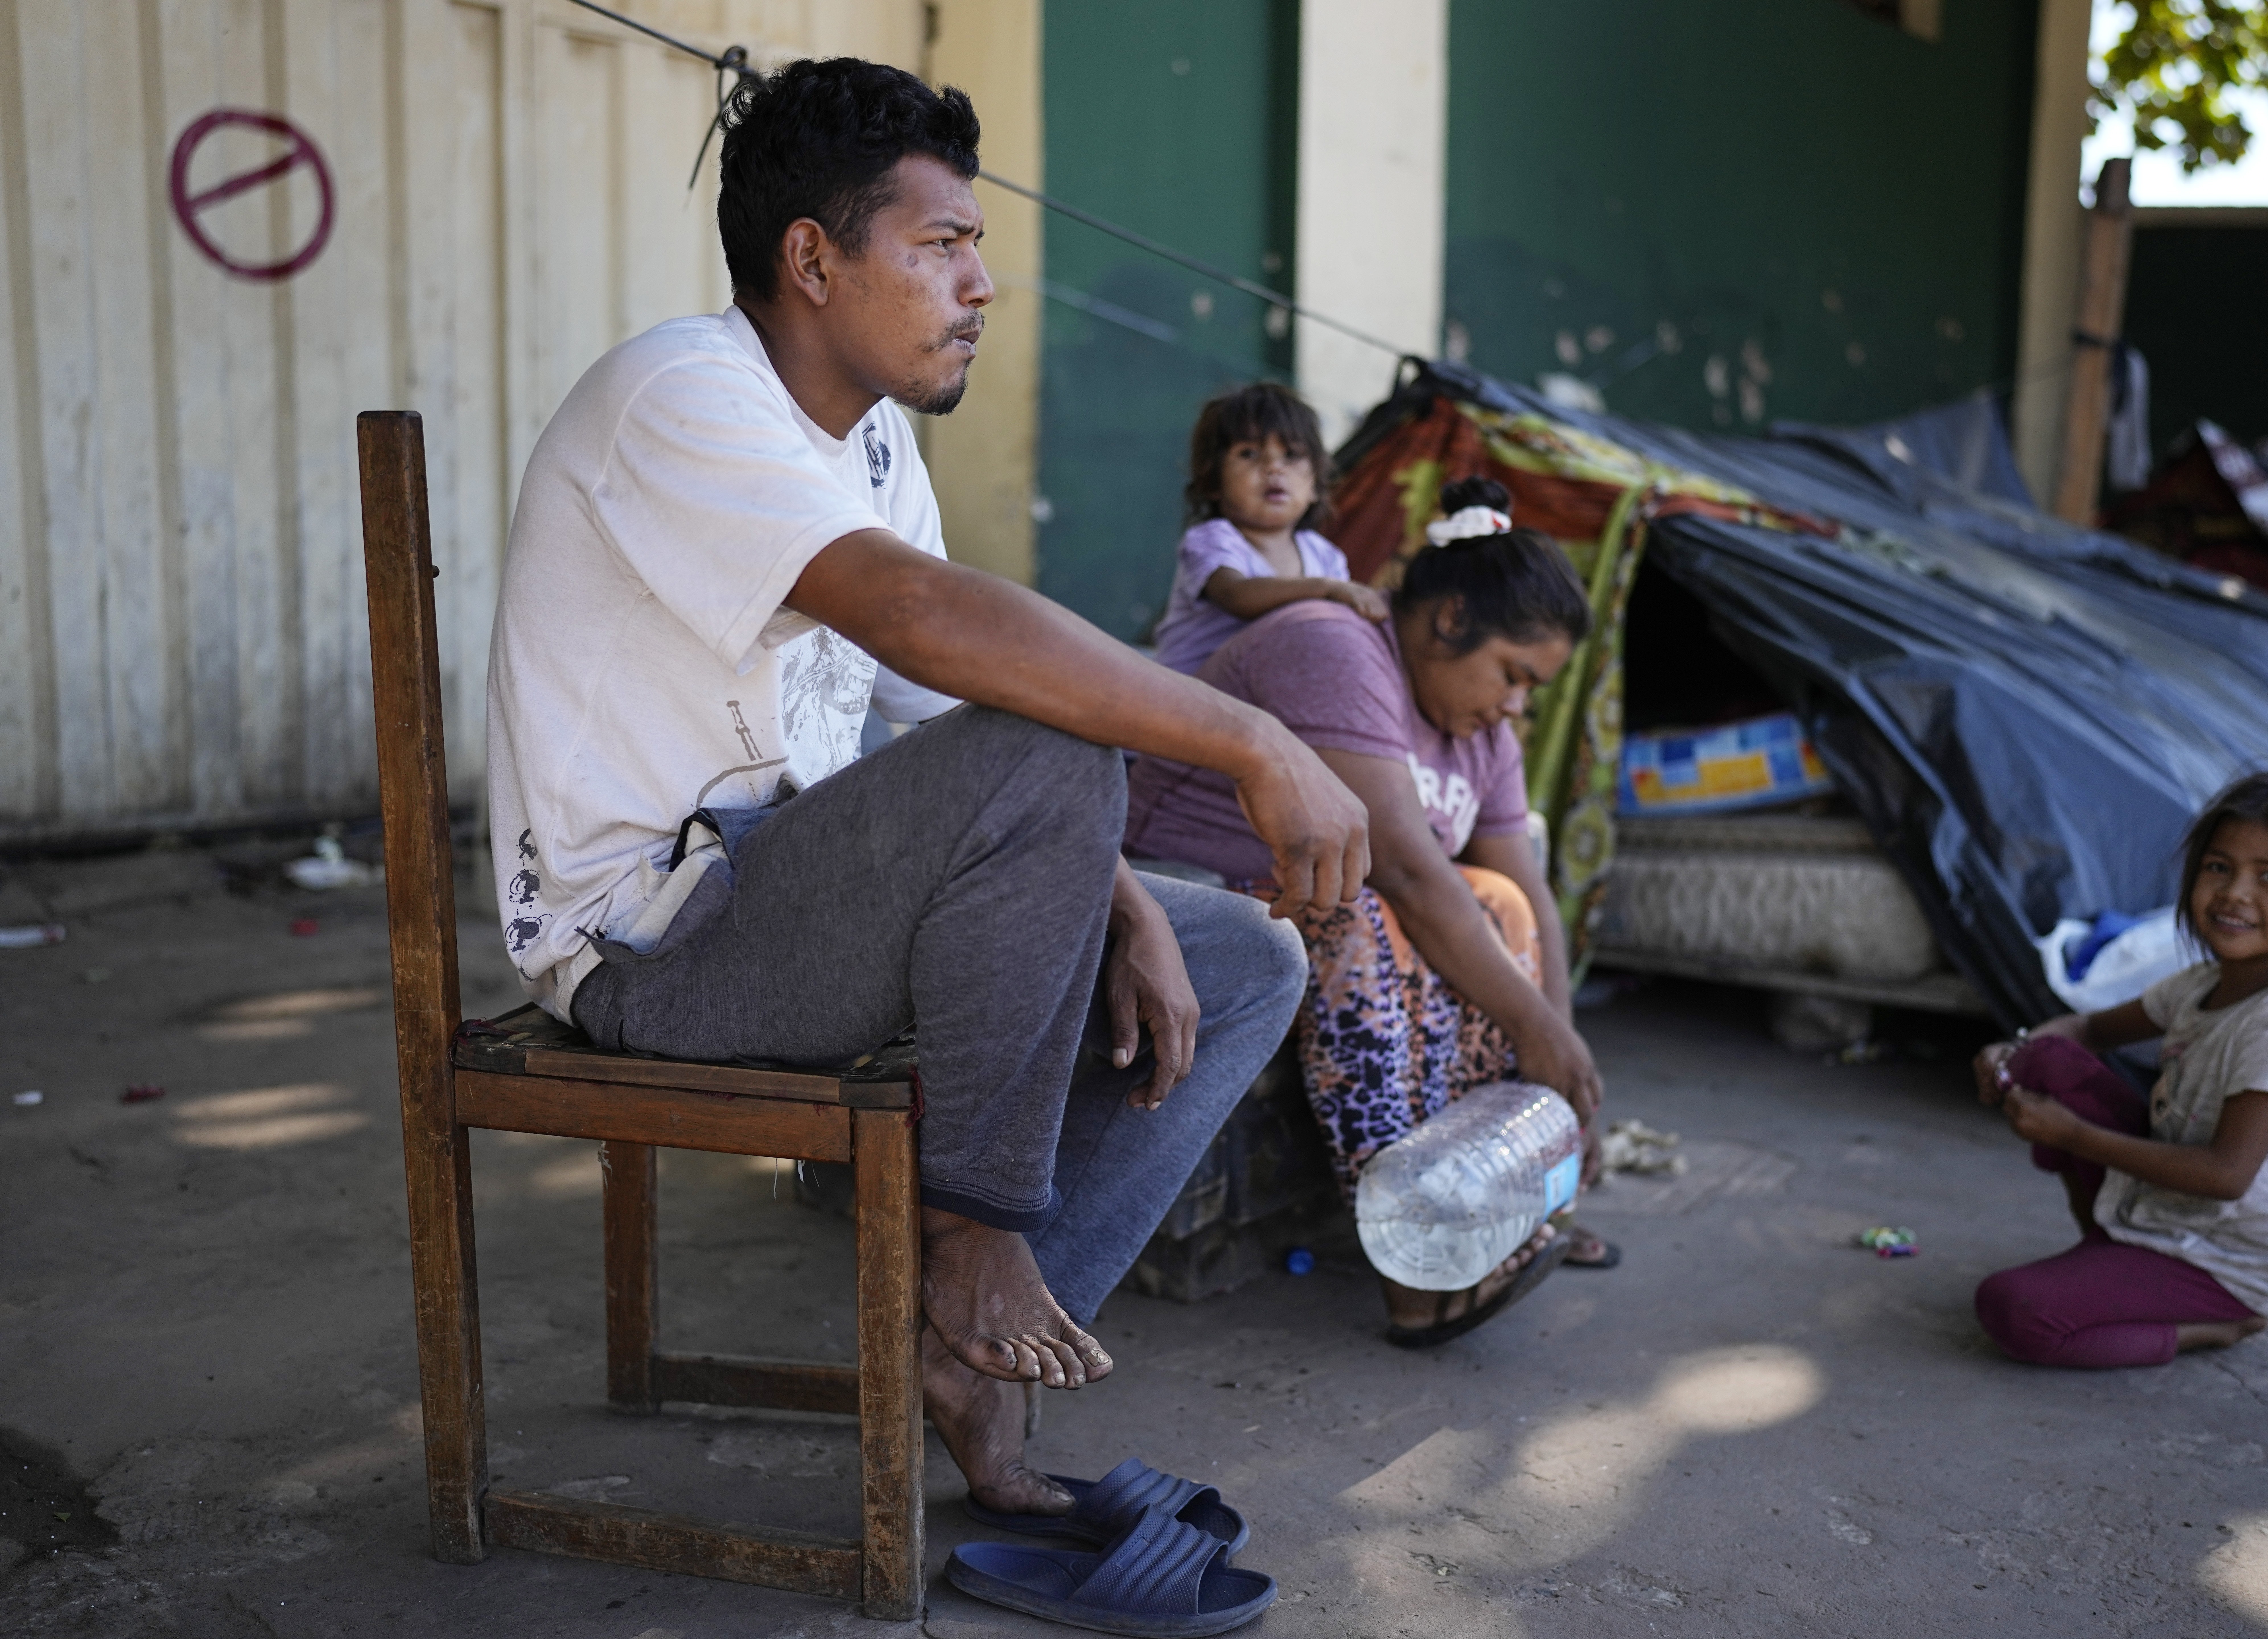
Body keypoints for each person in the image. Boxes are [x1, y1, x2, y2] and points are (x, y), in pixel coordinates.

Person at [485, 57, 1371, 1519]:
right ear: (813, 261)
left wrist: (1129, 901)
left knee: (1245, 961)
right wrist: (1258, 745)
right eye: (943, 246)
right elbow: (936, 637)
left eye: (978, 247)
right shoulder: (679, 396)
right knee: (1047, 737)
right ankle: (971, 1231)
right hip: (652, 942)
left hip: (803, 896)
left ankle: (968, 1355)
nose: (984, 285)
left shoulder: (879, 441)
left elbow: (935, 711)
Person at [1126, 477, 1618, 1347]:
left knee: (1496, 902)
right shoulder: (1338, 647)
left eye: (1531, 691)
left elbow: (1524, 891)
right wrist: (1540, 1035)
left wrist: (1560, 1059)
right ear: (1449, 618)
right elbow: (1405, 869)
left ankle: (1500, 1208)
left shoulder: (1484, 735)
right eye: (1513, 674)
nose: (1515, 706)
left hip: (1303, 901)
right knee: (1354, 913)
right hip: (1165, 890)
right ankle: (1416, 1264)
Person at [1970, 774, 2268, 1369]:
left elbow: (2227, 1175)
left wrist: (2071, 1135)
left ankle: (2217, 1326)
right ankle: (2107, 1252)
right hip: (2167, 1210)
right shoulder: (2205, 983)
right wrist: (2011, 1050)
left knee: (2014, 1309)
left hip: (2225, 1259)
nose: (2235, 893)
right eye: (2218, 868)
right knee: (2046, 1061)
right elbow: (2085, 1030)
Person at [1149, 382, 1385, 675]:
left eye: (1292, 455)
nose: (1274, 467)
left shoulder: (1325, 556)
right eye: (1249, 454)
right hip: (1191, 696)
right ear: (1212, 481)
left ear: (1315, 486)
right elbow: (1236, 596)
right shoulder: (1214, 540)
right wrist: (1324, 589)